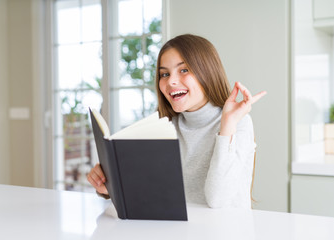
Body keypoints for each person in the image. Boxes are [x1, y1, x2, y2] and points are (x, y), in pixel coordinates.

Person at [87, 34, 266, 208]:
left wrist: (226, 127)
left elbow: (218, 201)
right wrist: (109, 187)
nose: (171, 81)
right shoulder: (165, 125)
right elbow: (150, 191)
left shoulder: (239, 123)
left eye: (184, 70)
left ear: (208, 72)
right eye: (164, 74)